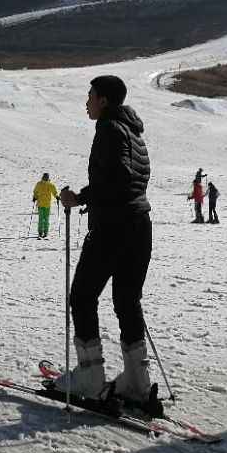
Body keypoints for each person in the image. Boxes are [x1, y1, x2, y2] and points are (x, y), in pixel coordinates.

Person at [51, 75, 153, 406]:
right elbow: (131, 179)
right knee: (127, 301)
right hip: (139, 225)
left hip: (113, 228)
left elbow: (118, 178)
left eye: (90, 95)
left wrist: (80, 198)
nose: (87, 101)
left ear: (104, 100)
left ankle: (89, 377)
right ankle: (137, 382)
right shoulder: (133, 131)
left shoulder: (109, 129)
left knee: (82, 297)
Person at [32, 173, 59, 238]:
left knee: (46, 219)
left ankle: (46, 231)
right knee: (41, 219)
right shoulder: (39, 184)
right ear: (43, 177)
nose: (46, 178)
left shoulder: (51, 185)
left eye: (47, 177)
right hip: (40, 204)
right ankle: (40, 232)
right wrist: (35, 197)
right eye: (45, 177)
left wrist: (57, 197)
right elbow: (35, 191)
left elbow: (54, 192)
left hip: (47, 204)